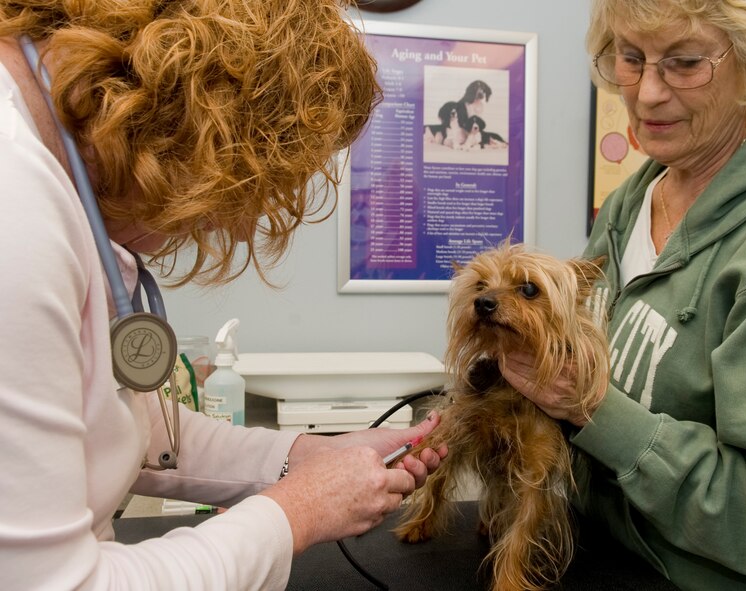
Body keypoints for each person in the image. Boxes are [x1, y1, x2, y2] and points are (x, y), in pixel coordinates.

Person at [0, 1, 446, 589]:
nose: (234, 227)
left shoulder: (55, 175)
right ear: (196, 123)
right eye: (245, 191)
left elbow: (130, 432)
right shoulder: (16, 215)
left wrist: (304, 459)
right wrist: (300, 510)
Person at [501, 1, 746, 589]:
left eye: (685, 63)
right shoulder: (633, 201)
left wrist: (590, 405)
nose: (647, 93)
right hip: (608, 553)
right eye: (632, 58)